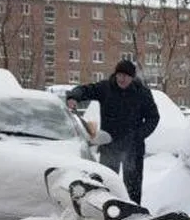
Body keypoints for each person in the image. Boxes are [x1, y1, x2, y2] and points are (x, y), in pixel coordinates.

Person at [66, 59, 159, 203]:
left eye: (126, 76)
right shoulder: (106, 88)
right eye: (119, 75)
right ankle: (105, 210)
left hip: (133, 149)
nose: (121, 79)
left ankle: (132, 213)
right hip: (109, 146)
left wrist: (138, 136)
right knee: (106, 184)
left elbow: (153, 117)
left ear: (132, 77)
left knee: (132, 188)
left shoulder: (142, 93)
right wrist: (73, 97)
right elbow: (85, 90)